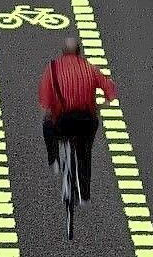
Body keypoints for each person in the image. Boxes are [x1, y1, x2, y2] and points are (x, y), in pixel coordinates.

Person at [38, 37, 117, 204]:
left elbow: (45, 102)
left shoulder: (52, 69)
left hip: (62, 122)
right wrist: (106, 101)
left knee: (47, 125)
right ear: (79, 52)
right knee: (85, 151)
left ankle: (54, 160)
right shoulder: (90, 68)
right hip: (86, 122)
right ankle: (85, 194)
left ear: (63, 52)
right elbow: (109, 88)